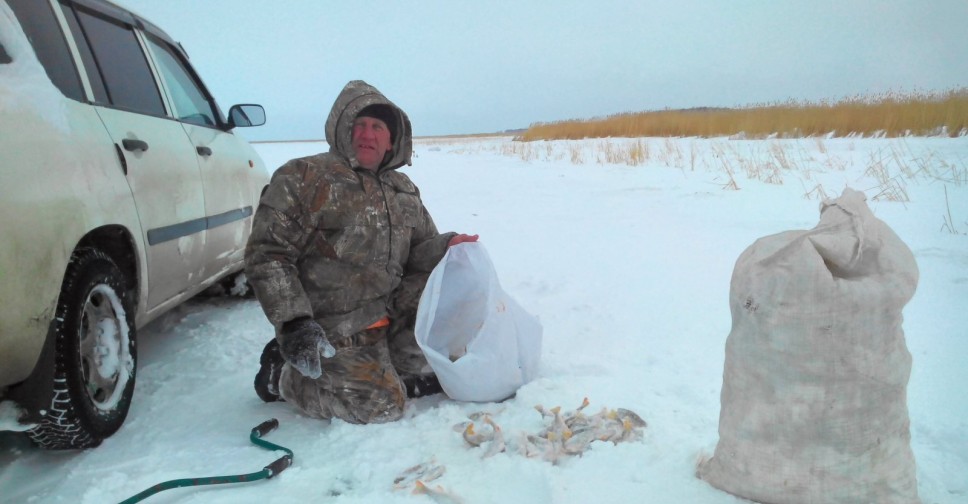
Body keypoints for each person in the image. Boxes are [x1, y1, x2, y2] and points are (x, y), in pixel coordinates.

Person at [244, 80, 477, 424]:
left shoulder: (403, 189)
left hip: (389, 313)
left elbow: (417, 254)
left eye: (378, 127)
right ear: (342, 129)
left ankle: (388, 366)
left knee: (451, 309)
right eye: (359, 124)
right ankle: (282, 376)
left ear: (391, 140)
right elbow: (268, 254)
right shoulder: (304, 176)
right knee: (380, 406)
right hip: (334, 325)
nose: (367, 134)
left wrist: (448, 246)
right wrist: (295, 323)